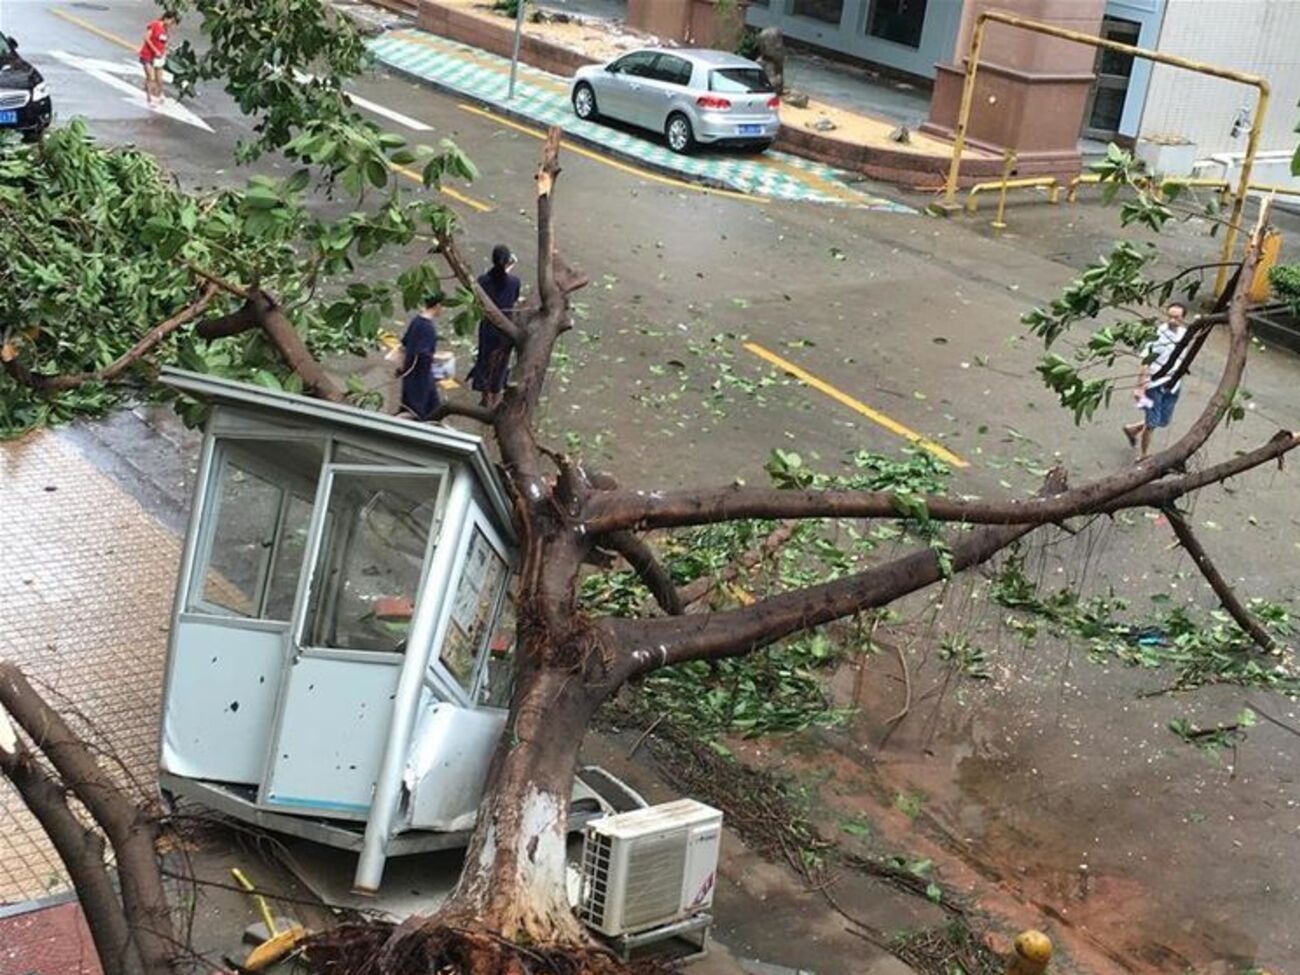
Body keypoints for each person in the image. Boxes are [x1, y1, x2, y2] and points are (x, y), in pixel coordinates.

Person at [1123, 302, 1190, 461]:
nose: (1172, 320)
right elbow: (1146, 361)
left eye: (1177, 317)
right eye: (1170, 316)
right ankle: (1143, 455)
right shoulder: (1157, 335)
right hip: (1154, 383)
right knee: (1152, 423)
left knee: (1162, 420)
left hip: (1173, 382)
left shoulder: (1184, 333)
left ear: (1183, 318)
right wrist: (1140, 386)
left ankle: (1133, 429)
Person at [468, 244, 521, 410]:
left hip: (487, 327)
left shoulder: (482, 281)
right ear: (507, 262)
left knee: (485, 358)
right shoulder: (514, 282)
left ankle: (485, 396)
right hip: (505, 330)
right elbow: (513, 297)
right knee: (501, 362)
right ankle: (496, 397)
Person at [396, 292, 444, 421]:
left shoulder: (416, 321)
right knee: (417, 410)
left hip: (412, 372)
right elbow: (423, 354)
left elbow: (404, 344)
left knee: (429, 406)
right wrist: (438, 360)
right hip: (420, 376)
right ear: (438, 306)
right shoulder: (428, 328)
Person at [139, 14, 176, 108]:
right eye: (171, 22)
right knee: (150, 76)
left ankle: (160, 94)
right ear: (166, 19)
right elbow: (146, 38)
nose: (171, 25)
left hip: (158, 57)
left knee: (159, 78)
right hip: (147, 54)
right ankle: (149, 98)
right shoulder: (155, 25)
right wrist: (155, 50)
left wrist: (168, 49)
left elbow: (164, 43)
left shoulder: (166, 30)